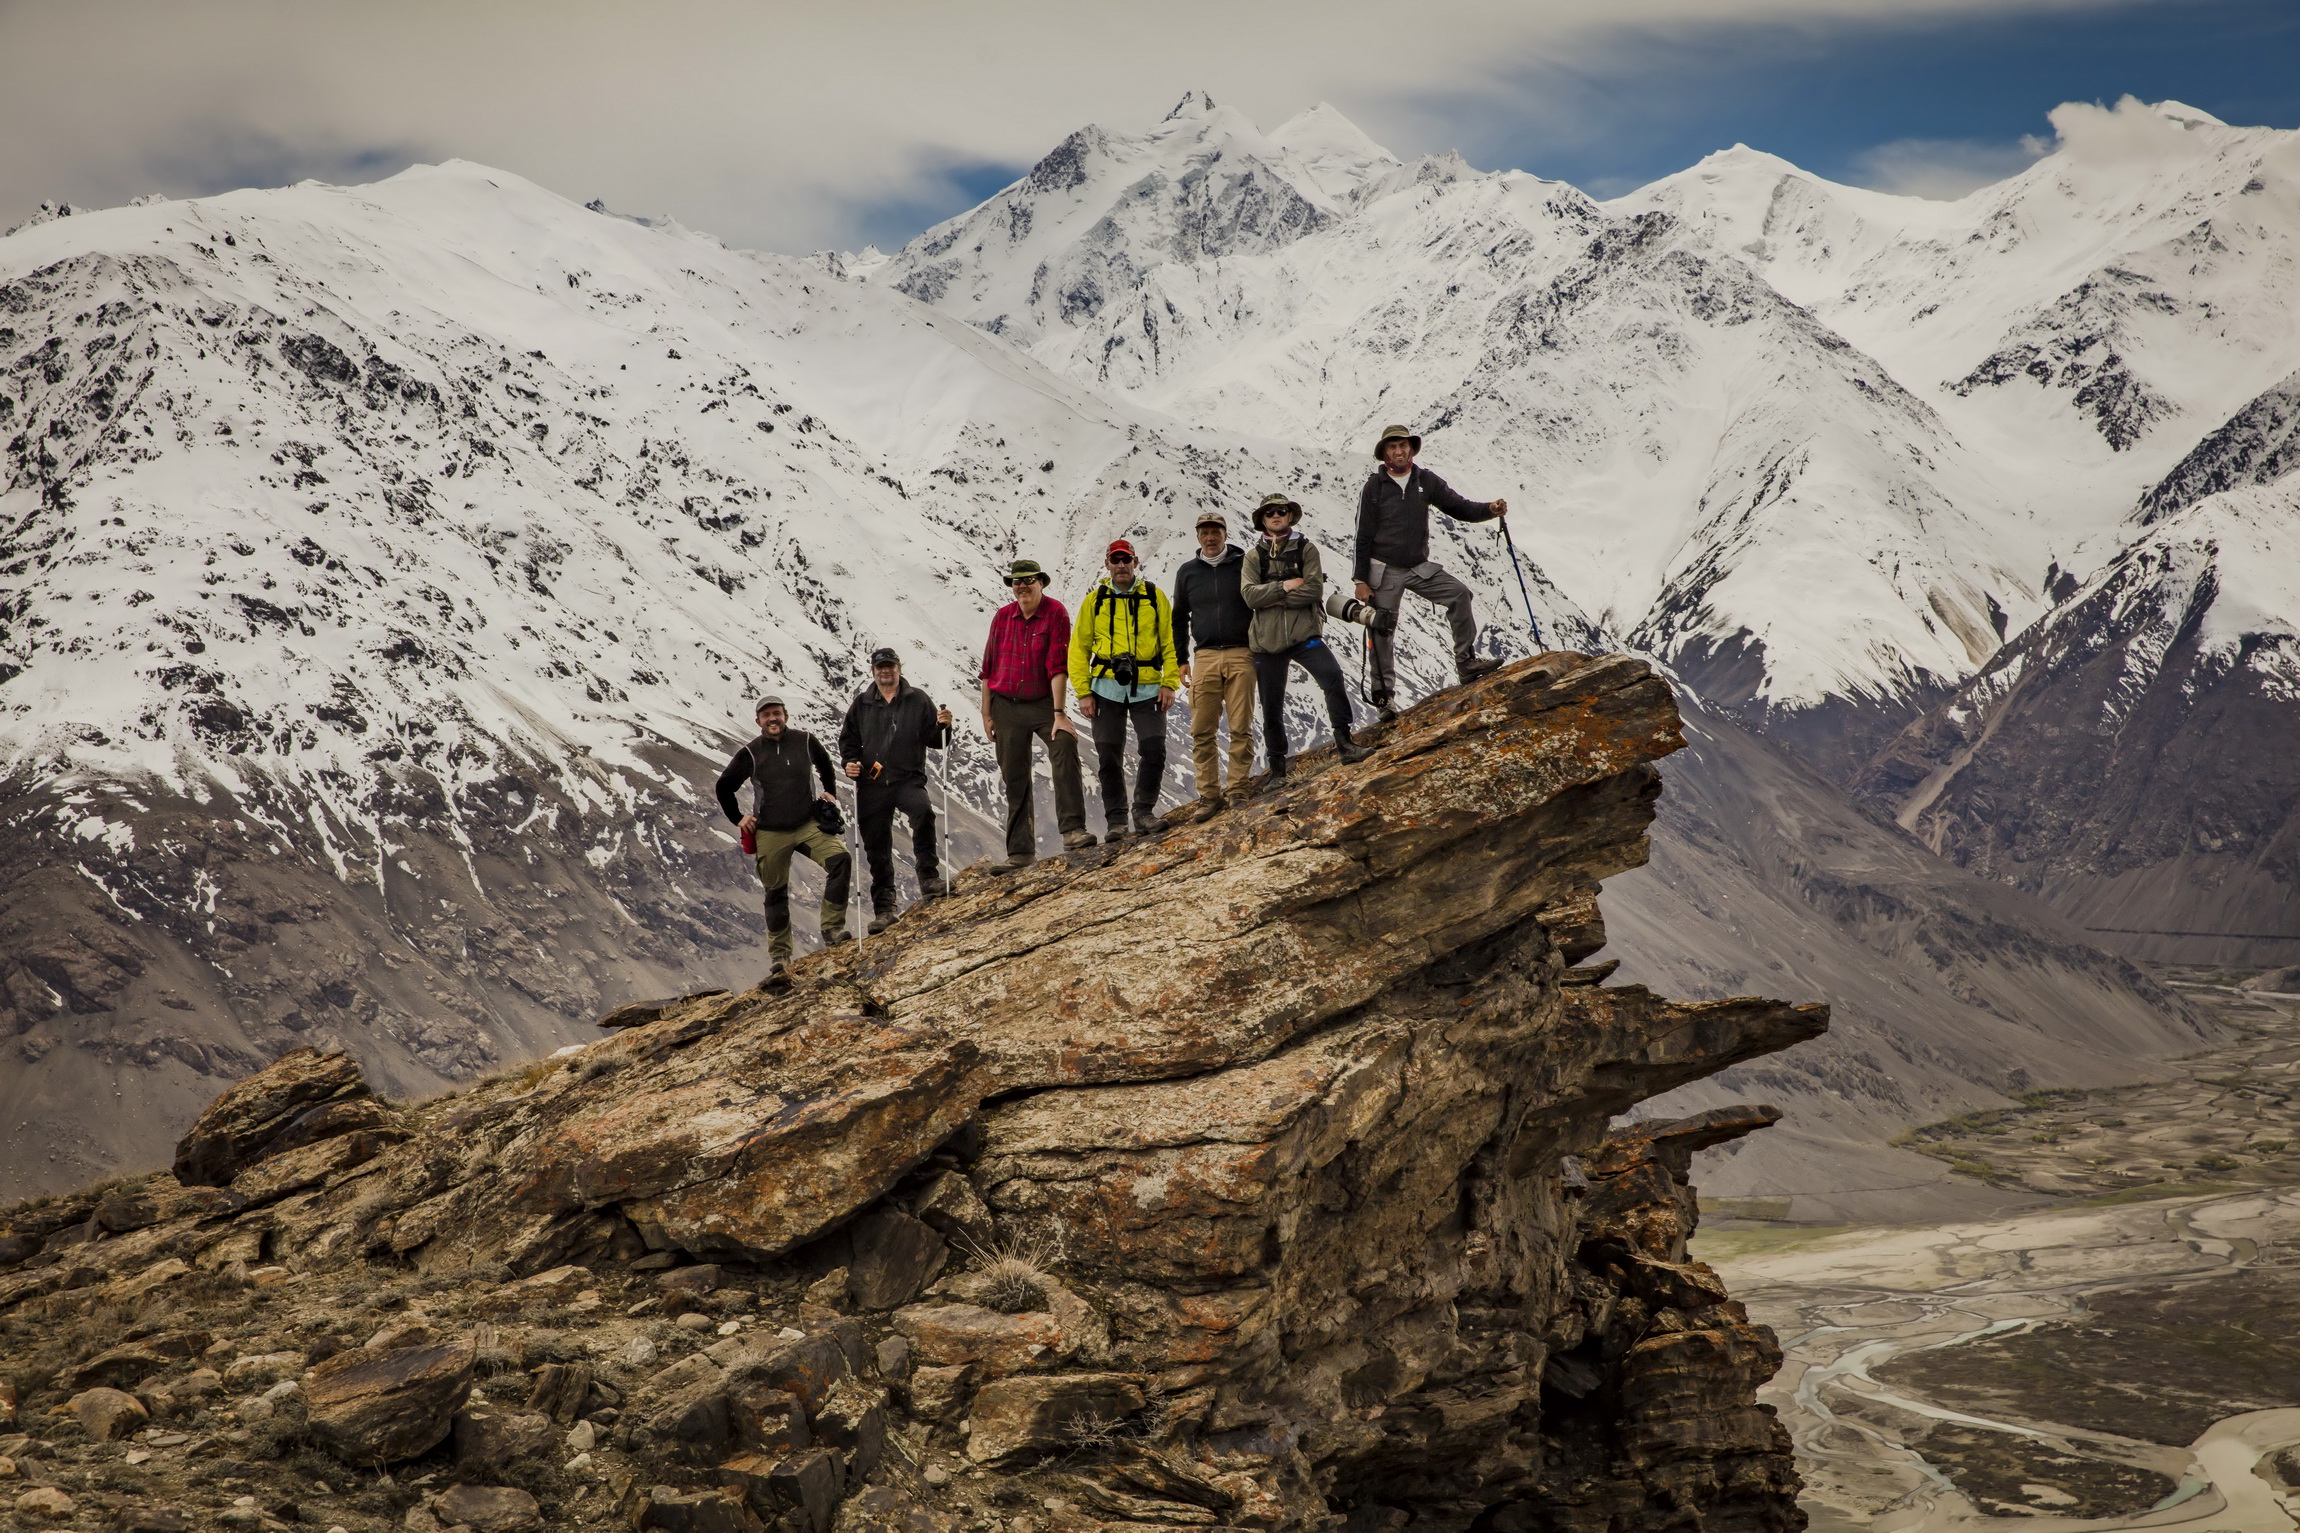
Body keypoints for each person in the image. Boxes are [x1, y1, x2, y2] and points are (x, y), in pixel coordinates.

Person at [1351, 424, 1507, 721]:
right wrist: (1360, 580)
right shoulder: (1374, 487)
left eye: (1403, 446)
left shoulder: (1426, 481)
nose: (1399, 451)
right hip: (1383, 568)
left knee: (1459, 594)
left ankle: (1466, 663)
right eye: (1392, 447)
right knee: (1382, 628)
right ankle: (1385, 699)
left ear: (1411, 448)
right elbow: (1363, 535)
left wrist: (1490, 509)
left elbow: (1459, 507)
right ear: (1384, 453)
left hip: (1418, 566)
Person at [714, 696, 851, 987]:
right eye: (766, 715)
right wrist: (737, 818)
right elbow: (724, 785)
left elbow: (825, 763)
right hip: (771, 831)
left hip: (808, 824)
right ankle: (780, 957)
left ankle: (833, 931)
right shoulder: (751, 753)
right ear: (758, 721)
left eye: (776, 713)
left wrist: (829, 791)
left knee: (840, 860)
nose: (772, 719)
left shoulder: (805, 741)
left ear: (785, 715)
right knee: (775, 891)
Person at [978, 558, 1095, 872]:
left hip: (1043, 702)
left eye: (1029, 580)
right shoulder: (1002, 617)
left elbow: (1059, 666)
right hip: (1005, 705)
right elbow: (988, 670)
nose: (1023, 586)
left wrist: (1059, 713)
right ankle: (1020, 852)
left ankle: (1072, 831)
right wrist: (987, 713)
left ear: (1040, 582)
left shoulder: (1056, 613)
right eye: (1017, 582)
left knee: (1064, 745)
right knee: (1014, 776)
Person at [1243, 494, 1372, 778]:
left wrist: (1274, 598)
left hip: (1304, 636)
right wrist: (1286, 586)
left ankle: (1346, 743)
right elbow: (1250, 597)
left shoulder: (1306, 549)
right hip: (1266, 643)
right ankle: (1278, 772)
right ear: (1262, 520)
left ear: (1290, 516)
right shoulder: (1253, 557)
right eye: (1269, 513)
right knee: (1271, 706)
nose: (1276, 516)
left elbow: (1314, 590)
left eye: (1281, 511)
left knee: (1332, 678)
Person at [1068, 538, 1178, 840]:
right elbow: (1079, 648)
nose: (1120, 566)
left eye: (1125, 560)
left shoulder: (1154, 597)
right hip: (1105, 687)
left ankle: (1143, 812)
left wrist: (1170, 682)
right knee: (1108, 756)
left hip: (1149, 686)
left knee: (1154, 748)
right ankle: (1116, 822)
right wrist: (1083, 691)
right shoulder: (1096, 600)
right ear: (1107, 564)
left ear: (1135, 562)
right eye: (1115, 560)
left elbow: (1169, 642)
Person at [839, 648, 954, 933]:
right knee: (876, 846)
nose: (885, 671)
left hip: (907, 779)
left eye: (890, 666)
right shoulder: (862, 704)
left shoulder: (917, 699)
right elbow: (849, 741)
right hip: (871, 784)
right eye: (880, 667)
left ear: (899, 668)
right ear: (873, 671)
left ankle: (929, 879)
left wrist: (944, 727)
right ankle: (885, 910)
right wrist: (850, 763)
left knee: (923, 813)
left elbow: (936, 741)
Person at [1169, 510, 1255, 823]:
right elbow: (1178, 617)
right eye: (1204, 532)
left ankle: (1237, 790)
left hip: (1241, 654)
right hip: (1204, 656)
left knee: (1240, 726)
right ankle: (1209, 796)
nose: (1210, 537)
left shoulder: (1245, 564)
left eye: (1215, 531)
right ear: (1197, 536)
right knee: (1201, 730)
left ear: (1225, 533)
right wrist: (1181, 659)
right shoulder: (1187, 572)